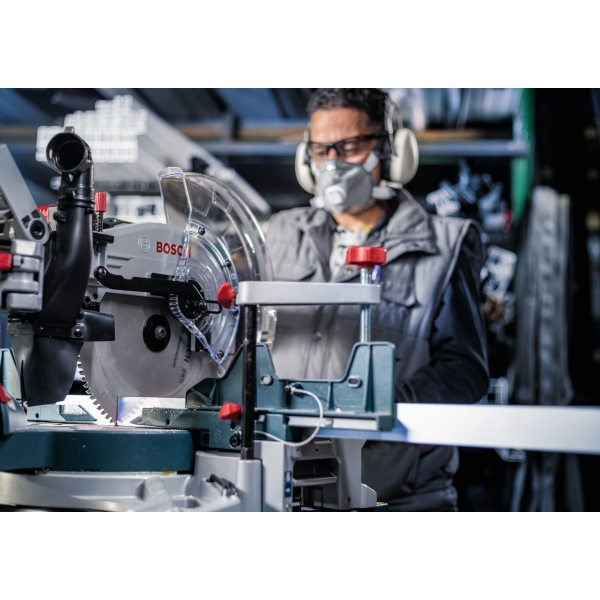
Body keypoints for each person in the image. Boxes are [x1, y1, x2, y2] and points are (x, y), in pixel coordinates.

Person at [265, 88, 489, 511]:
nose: (332, 162)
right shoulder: (280, 233)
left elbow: (465, 370)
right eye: (321, 150)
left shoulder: (444, 245)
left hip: (397, 493)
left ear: (390, 152)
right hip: (285, 485)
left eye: (349, 146)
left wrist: (377, 405)